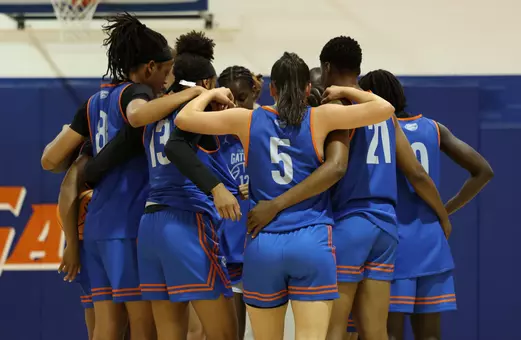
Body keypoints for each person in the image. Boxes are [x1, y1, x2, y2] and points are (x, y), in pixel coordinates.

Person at [174, 51, 395, 340]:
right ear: (307, 88)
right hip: (311, 241)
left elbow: (184, 119)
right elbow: (385, 108)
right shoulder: (322, 117)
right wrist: (343, 90)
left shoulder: (249, 119)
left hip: (263, 242)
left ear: (272, 89)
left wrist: (210, 92)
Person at [247, 37, 451, 340]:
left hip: (349, 221)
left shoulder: (337, 108)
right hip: (385, 224)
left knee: (334, 329)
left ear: (326, 67)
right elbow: (417, 173)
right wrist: (443, 216)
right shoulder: (381, 111)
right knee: (376, 331)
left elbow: (333, 167)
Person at [41, 13, 175, 340]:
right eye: (166, 72)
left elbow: (50, 159)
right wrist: (186, 96)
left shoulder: (93, 102)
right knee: (145, 326)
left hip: (97, 231)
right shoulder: (136, 95)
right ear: (149, 68)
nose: (168, 82)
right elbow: (136, 115)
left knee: (107, 327)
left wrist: (89, 160)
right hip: (127, 226)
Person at [359, 69, 494, 340]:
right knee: (430, 336)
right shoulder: (434, 128)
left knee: (389, 334)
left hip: (392, 243)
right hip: (432, 243)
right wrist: (445, 211)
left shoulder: (375, 132)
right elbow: (483, 171)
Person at [138, 31, 239, 340]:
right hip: (185, 221)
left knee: (171, 334)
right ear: (207, 84)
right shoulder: (193, 111)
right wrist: (217, 188)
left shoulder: (154, 112)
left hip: (150, 226)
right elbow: (177, 148)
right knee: (224, 334)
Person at [211, 65, 261, 340]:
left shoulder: (266, 128)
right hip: (227, 245)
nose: (235, 106)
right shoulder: (213, 135)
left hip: (260, 242)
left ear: (254, 93)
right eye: (228, 100)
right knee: (231, 333)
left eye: (241, 98)